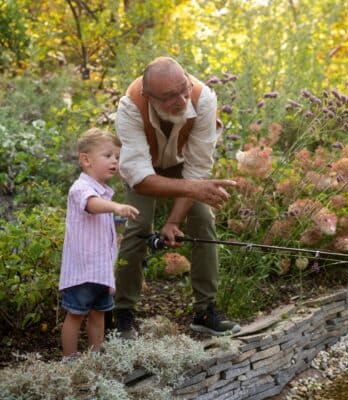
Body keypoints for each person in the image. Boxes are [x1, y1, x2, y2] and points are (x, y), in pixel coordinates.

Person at [113, 56, 240, 337]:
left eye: (184, 88)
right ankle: (122, 312)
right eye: (169, 96)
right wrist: (192, 188)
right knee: (137, 224)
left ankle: (204, 311)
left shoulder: (203, 99)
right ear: (149, 97)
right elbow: (140, 177)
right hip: (145, 170)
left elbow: (195, 171)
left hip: (183, 166)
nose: (182, 99)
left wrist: (173, 222)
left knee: (204, 220)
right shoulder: (130, 106)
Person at [59, 128, 140, 359]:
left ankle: (95, 356)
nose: (114, 161)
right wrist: (116, 207)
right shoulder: (81, 189)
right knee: (75, 315)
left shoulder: (104, 193)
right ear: (86, 159)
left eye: (116, 156)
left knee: (98, 314)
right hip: (84, 271)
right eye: (107, 156)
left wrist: (116, 218)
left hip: (101, 271)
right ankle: (70, 359)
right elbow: (91, 205)